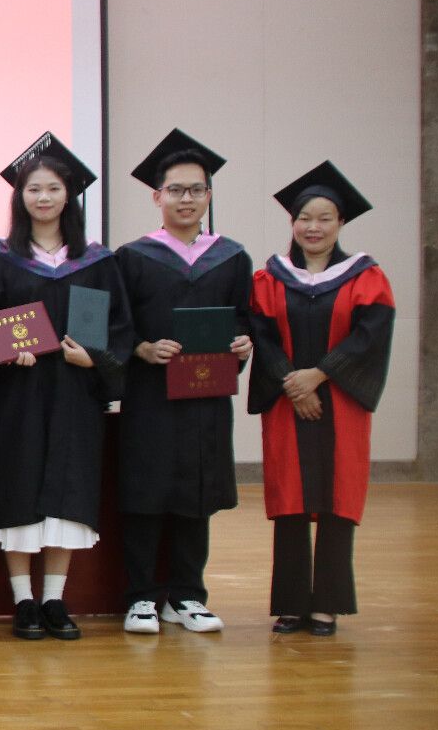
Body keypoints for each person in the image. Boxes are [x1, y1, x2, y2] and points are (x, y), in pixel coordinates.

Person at [0, 133, 133, 641]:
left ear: (69, 195)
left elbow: (120, 330)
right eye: (33, 189)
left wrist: (96, 359)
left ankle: (54, 599)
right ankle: (23, 600)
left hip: (73, 393)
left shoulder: (98, 261)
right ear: (19, 197)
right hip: (17, 395)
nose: (43, 197)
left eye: (52, 188)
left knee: (69, 489)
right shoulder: (1, 258)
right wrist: (4, 352)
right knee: (19, 487)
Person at [116, 130, 254, 635]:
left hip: (205, 397)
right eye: (175, 190)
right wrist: (142, 349)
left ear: (208, 196)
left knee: (197, 494)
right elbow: (117, 325)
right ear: (158, 197)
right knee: (146, 492)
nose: (186, 199)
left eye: (196, 189)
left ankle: (188, 595)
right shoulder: (132, 257)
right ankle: (141, 597)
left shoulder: (232, 257)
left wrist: (243, 345)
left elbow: (245, 319)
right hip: (150, 395)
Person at [248, 161, 394, 637]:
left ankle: (328, 605)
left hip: (341, 403)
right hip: (286, 400)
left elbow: (369, 338)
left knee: (337, 498)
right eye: (304, 218)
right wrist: (292, 384)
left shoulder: (366, 276)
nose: (313, 227)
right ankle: (291, 604)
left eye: (324, 218)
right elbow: (262, 335)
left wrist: (318, 376)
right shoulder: (271, 277)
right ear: (292, 222)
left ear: (341, 222)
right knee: (289, 499)